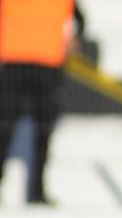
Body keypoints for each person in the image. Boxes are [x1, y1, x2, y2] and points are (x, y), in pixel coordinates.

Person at [0, 0, 84, 204]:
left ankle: (37, 190)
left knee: (43, 129)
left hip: (48, 62)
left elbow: (80, 19)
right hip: (15, 60)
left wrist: (75, 38)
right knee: (5, 128)